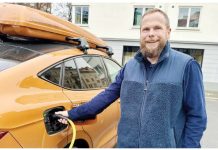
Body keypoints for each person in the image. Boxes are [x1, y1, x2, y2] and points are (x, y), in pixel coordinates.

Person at [55, 8, 207, 148]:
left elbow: (197, 118)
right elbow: (106, 96)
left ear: (168, 32)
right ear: (140, 33)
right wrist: (72, 114)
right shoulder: (130, 67)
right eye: (146, 29)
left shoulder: (187, 66)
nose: (151, 33)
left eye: (157, 28)